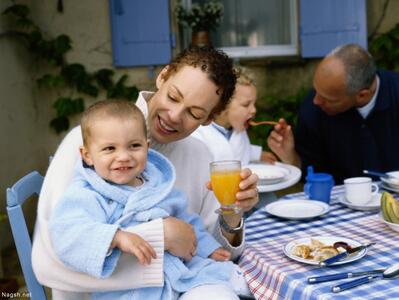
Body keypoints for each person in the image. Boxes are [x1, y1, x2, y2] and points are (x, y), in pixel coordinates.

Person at [32, 46, 258, 299]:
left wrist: (233, 212)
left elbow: (215, 251)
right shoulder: (87, 146)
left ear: (209, 119)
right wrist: (159, 237)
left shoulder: (202, 155)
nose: (173, 116)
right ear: (163, 76)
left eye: (194, 113)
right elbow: (47, 264)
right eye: (173, 97)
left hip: (181, 286)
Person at [49, 100, 243, 299]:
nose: (123, 156)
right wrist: (115, 237)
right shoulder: (87, 194)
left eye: (134, 146)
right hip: (128, 290)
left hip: (178, 277)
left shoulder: (156, 185)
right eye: (109, 149)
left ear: (147, 148)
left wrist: (207, 247)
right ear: (87, 155)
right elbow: (67, 233)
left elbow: (186, 221)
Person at [267, 43, 399, 184]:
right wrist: (292, 158)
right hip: (339, 201)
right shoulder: (312, 110)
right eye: (316, 89)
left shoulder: (395, 92)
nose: (316, 100)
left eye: (328, 99)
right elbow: (313, 174)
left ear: (362, 95)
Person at [191, 66, 276, 165]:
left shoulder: (237, 128)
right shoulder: (198, 137)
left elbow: (238, 148)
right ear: (223, 103)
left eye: (254, 104)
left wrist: (257, 154)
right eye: (246, 105)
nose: (254, 110)